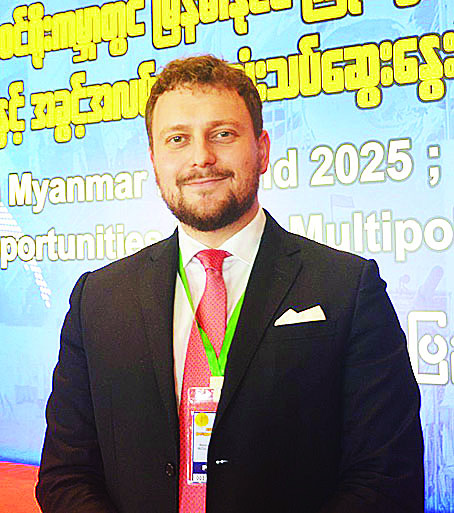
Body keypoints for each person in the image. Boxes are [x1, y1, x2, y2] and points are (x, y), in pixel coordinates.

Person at [36, 55, 424, 513]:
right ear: (154, 161)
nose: (201, 157)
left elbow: (386, 477)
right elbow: (66, 475)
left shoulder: (347, 288)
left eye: (222, 134)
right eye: (177, 139)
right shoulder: (98, 298)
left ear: (262, 149)